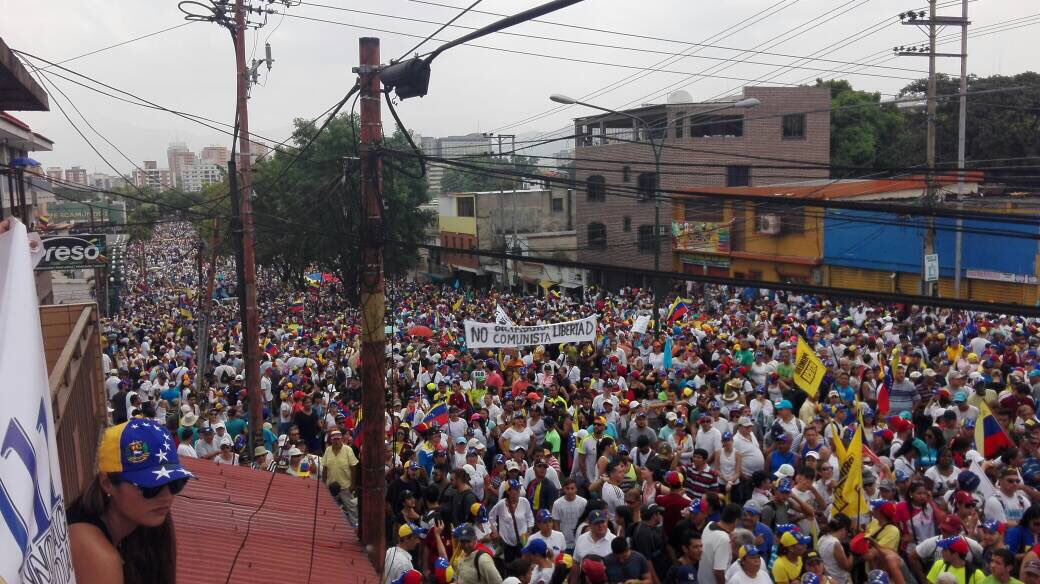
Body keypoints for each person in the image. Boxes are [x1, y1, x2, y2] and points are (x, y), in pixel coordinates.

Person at [68, 419, 192, 584]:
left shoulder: (137, 532)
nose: (167, 496)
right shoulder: (98, 556)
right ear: (108, 484)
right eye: (150, 487)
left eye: (175, 483)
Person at [322, 429, 360, 526]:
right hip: (331, 488)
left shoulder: (348, 450)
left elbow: (353, 467)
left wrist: (353, 484)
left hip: (346, 487)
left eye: (338, 439)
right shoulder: (327, 450)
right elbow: (325, 468)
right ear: (331, 440)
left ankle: (355, 527)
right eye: (334, 439)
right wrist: (323, 485)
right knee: (330, 511)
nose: (336, 441)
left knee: (352, 510)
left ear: (341, 439)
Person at [700, 503, 741, 584]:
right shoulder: (724, 539)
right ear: (736, 521)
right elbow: (718, 571)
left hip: (701, 579)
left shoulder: (709, 525)